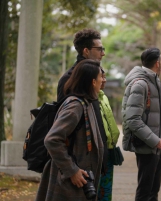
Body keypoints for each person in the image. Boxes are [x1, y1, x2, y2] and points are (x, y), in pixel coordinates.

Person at [36, 59, 104, 201]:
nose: (103, 80)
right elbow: (52, 139)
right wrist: (71, 170)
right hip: (67, 183)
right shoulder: (75, 107)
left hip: (79, 182)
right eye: (100, 77)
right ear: (92, 82)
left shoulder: (87, 102)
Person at [122, 47, 161, 201]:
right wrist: (155, 140)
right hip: (149, 144)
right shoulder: (140, 84)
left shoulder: (154, 80)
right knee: (145, 191)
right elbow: (132, 119)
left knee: (153, 190)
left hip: (158, 142)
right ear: (158, 63)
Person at [56, 28, 108, 176]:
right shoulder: (70, 79)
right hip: (80, 161)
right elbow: (61, 127)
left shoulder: (97, 76)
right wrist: (71, 169)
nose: (103, 53)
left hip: (97, 156)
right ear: (86, 51)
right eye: (99, 49)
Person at [97, 72, 120, 201]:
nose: (104, 80)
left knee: (106, 190)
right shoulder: (90, 99)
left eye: (105, 77)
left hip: (109, 150)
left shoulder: (103, 97)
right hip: (98, 152)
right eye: (101, 77)